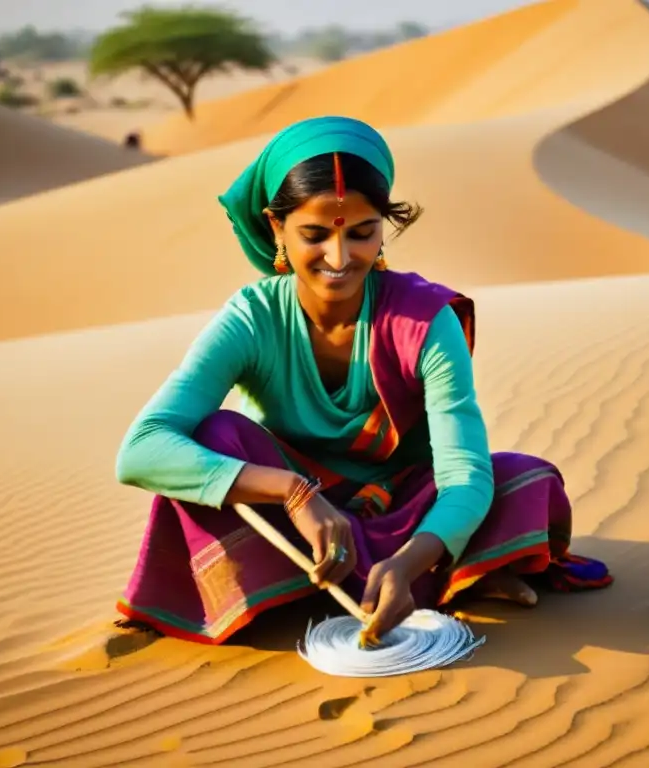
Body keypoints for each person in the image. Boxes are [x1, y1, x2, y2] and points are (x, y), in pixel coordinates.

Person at [114, 115, 612, 646]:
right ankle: (450, 578)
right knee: (214, 438)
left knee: (523, 480)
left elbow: (463, 475)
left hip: (403, 508)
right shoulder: (252, 318)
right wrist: (295, 495)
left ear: (384, 227)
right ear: (276, 227)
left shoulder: (424, 320)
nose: (339, 257)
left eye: (362, 233)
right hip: (293, 524)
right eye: (313, 235)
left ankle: (390, 578)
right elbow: (141, 451)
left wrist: (409, 559)